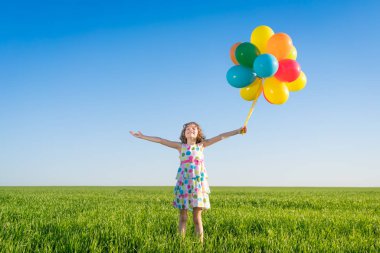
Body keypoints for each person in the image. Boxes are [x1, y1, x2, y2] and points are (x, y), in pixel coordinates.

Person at [130, 122, 246, 243]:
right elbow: (161, 140)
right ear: (184, 134)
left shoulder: (202, 146)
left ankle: (199, 245)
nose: (191, 130)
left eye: (194, 128)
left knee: (197, 218)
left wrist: (238, 131)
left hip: (198, 186)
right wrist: (143, 136)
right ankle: (180, 244)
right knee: (183, 217)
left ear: (198, 133)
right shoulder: (181, 147)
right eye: (188, 129)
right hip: (184, 185)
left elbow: (221, 136)